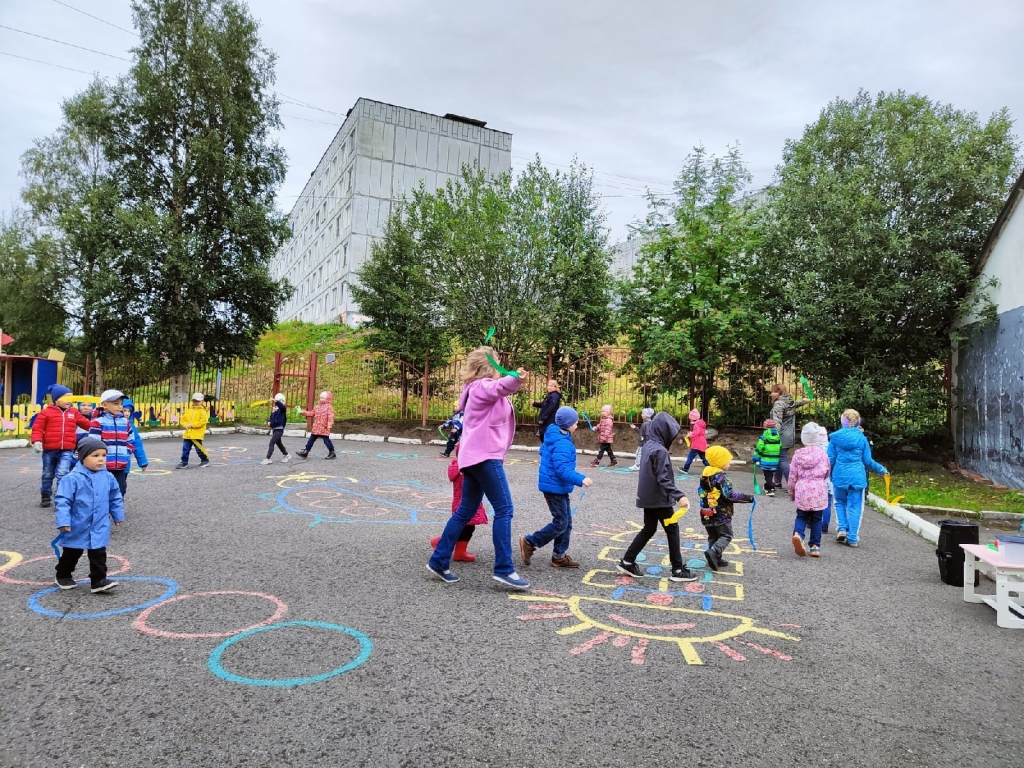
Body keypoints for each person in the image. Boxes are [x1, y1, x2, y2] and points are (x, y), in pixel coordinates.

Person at [427, 345, 530, 589]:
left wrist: (511, 379)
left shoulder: (475, 390)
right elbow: (499, 386)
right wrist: (516, 377)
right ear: (489, 367)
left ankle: (439, 560)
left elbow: (499, 392)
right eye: (497, 362)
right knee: (504, 509)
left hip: (473, 457)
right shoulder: (483, 387)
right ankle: (504, 569)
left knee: (464, 511)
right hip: (484, 457)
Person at [616, 412, 698, 582]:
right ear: (664, 432)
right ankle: (677, 570)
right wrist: (679, 495)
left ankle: (627, 560)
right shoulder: (660, 451)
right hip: (659, 498)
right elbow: (663, 478)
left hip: (648, 496)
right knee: (672, 529)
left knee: (649, 528)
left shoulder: (648, 445)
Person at [520, 405, 593, 569]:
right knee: (561, 522)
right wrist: (581, 479)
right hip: (554, 487)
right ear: (567, 424)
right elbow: (562, 470)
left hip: (556, 487)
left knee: (566, 522)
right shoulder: (562, 443)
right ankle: (530, 541)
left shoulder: (554, 434)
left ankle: (558, 556)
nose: (577, 425)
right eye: (575, 422)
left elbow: (543, 452)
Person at [53, 437, 124, 593]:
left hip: (99, 524)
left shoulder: (108, 477)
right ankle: (63, 574)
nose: (101, 459)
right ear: (83, 457)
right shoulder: (72, 478)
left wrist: (118, 515)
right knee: (72, 552)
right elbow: (63, 501)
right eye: (95, 455)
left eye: (103, 455)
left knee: (98, 553)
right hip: (77, 524)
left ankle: (98, 581)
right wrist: (64, 521)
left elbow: (115, 497)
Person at [827, 409, 887, 547]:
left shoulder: (835, 438)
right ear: (858, 422)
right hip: (857, 477)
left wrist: (823, 473)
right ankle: (852, 537)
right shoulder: (862, 439)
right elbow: (867, 461)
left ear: (842, 422)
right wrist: (882, 469)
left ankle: (842, 528)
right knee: (855, 507)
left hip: (839, 476)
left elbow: (830, 459)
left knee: (839, 502)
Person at [30, 384, 90, 508]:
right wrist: (36, 440)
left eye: (71, 398)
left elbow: (87, 424)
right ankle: (45, 494)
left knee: (63, 473)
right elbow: (37, 428)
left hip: (67, 449)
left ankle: (62, 497)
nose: (69, 401)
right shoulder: (46, 412)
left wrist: (101, 426)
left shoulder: (73, 412)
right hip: (49, 449)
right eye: (66, 398)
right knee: (47, 474)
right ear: (56, 399)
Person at [698, 445, 754, 571]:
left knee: (713, 536)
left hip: (707, 512)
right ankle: (714, 551)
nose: (729, 463)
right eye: (727, 461)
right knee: (726, 535)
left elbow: (702, 493)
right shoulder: (721, 477)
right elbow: (728, 495)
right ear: (720, 462)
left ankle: (715, 557)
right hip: (721, 513)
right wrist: (747, 498)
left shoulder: (705, 475)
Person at [430, 443, 487, 562]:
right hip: (466, 502)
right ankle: (441, 542)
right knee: (464, 527)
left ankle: (459, 551)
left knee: (467, 528)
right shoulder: (466, 468)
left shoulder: (460, 466)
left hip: (464, 502)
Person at [789, 422, 831, 557]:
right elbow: (827, 472)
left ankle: (798, 534)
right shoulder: (823, 455)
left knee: (801, 516)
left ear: (803, 438)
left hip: (802, 489)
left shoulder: (798, 455)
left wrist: (792, 492)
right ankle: (814, 546)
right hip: (818, 489)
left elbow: (792, 476)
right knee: (817, 520)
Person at [89, 389, 134, 497]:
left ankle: (117, 512)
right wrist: (98, 458)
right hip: (103, 465)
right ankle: (103, 511)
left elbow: (131, 439)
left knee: (120, 490)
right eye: (115, 403)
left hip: (121, 465)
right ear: (104, 404)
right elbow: (93, 443)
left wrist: (127, 452)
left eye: (121, 404)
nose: (120, 407)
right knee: (103, 490)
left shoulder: (125, 422)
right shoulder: (98, 422)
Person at [768, 383, 810, 486]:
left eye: (775, 392)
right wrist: (803, 401)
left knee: (782, 460)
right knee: (779, 458)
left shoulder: (779, 404)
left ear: (780, 393)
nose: (772, 394)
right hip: (789, 435)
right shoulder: (788, 400)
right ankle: (777, 481)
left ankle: (793, 485)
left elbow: (777, 422)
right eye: (772, 391)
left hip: (781, 435)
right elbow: (794, 404)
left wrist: (773, 436)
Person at [120, 398, 148, 495]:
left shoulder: (131, 426)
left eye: (129, 411)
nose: (127, 413)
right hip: (109, 463)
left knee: (121, 488)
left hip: (124, 463)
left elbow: (137, 444)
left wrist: (142, 462)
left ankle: (117, 509)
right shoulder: (109, 423)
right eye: (124, 410)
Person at [297, 391, 336, 459]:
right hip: (316, 427)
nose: (321, 399)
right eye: (320, 397)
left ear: (327, 398)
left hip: (324, 427)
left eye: (323, 397)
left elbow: (330, 417)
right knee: (311, 440)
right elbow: (311, 413)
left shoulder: (329, 407)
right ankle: (306, 451)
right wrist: (302, 412)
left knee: (326, 440)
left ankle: (332, 452)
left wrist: (329, 425)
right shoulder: (317, 407)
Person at [176, 393, 210, 468]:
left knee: (199, 450)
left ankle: (204, 460)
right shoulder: (188, 411)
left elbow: (202, 422)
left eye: (198, 401)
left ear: (202, 402)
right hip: (188, 434)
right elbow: (183, 419)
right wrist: (184, 425)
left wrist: (191, 425)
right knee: (185, 449)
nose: (196, 402)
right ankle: (184, 462)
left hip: (197, 435)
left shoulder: (203, 412)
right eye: (194, 401)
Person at [753, 419, 783, 496]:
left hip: (766, 460)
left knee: (767, 475)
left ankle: (771, 489)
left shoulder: (764, 436)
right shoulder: (777, 436)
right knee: (770, 474)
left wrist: (755, 458)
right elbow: (780, 446)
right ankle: (767, 486)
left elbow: (760, 448)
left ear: (765, 426)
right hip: (775, 460)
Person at [262, 393, 290, 465]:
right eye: (279, 400)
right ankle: (286, 454)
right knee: (279, 443)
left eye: (282, 400)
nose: (281, 402)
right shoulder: (274, 410)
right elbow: (271, 419)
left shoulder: (282, 410)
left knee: (272, 443)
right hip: (275, 429)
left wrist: (276, 401)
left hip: (279, 430)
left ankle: (268, 458)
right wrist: (269, 422)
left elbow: (282, 406)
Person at [819, 426, 834, 534]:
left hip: (817, 481)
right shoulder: (831, 448)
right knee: (827, 503)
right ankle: (825, 525)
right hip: (829, 480)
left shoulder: (813, 449)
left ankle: (814, 522)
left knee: (816, 502)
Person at [681, 409, 708, 473]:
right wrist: (692, 433)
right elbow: (699, 432)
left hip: (697, 444)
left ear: (692, 418)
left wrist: (689, 435)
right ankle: (710, 468)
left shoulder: (696, 425)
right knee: (703, 457)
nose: (690, 419)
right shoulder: (701, 424)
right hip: (702, 443)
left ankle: (685, 469)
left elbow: (696, 433)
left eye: (690, 418)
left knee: (690, 456)